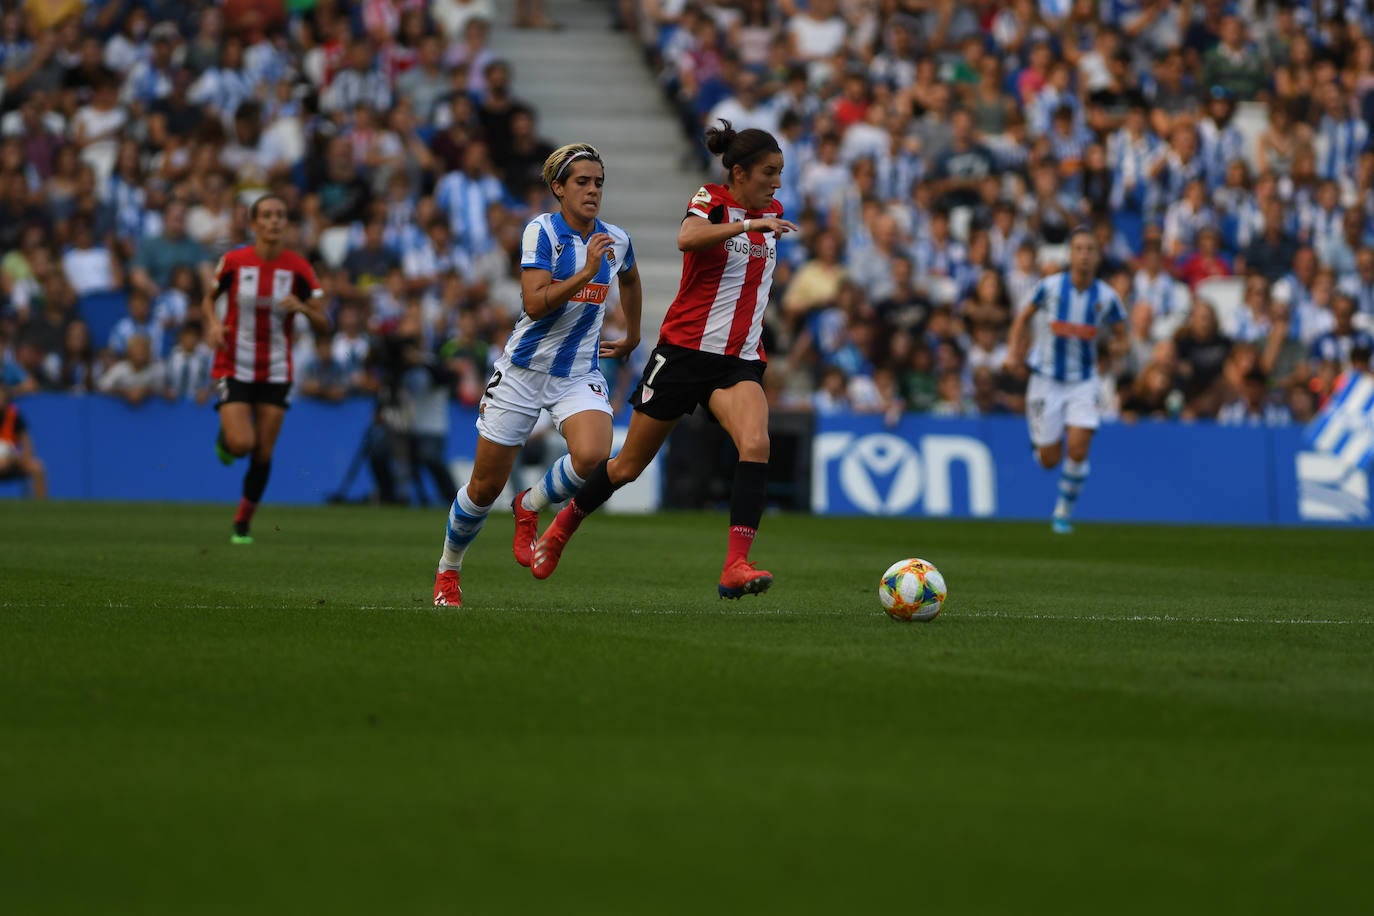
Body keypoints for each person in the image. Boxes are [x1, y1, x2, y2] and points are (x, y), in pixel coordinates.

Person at [529, 120, 799, 598]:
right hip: (682, 354)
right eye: (769, 172)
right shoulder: (711, 199)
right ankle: (563, 524)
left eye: (779, 173)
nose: (777, 183)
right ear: (738, 172)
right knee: (627, 466)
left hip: (737, 361)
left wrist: (758, 220)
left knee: (756, 444)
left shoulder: (772, 209)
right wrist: (749, 224)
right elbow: (687, 239)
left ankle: (736, 565)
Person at [432, 142, 642, 607]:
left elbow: (629, 277)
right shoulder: (540, 232)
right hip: (523, 371)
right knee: (483, 487)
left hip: (576, 372)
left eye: (598, 183)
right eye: (582, 182)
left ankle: (528, 504)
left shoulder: (616, 239)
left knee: (594, 454)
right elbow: (534, 302)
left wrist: (631, 334)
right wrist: (587, 271)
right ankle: (448, 569)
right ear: (558, 189)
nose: (592, 191)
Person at [204, 194, 328, 544]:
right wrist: (213, 323)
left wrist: (303, 308)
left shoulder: (299, 268)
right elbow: (207, 299)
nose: (274, 221)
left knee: (263, 451)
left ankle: (242, 522)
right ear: (253, 223)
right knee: (243, 443)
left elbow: (324, 324)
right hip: (234, 362)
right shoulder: (233, 261)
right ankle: (227, 438)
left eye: (280, 215)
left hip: (276, 367)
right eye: (267, 215)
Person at [1003, 227, 1128, 534]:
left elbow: (1123, 335)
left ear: (1097, 257)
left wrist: (1116, 349)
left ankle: (1062, 513)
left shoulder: (1107, 298)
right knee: (1048, 460)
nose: (1084, 255)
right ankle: (1040, 442)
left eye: (1090, 249)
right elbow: (1023, 317)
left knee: (1078, 449)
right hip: (1046, 379)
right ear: (1070, 254)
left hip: (1084, 381)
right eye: (1079, 249)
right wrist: (1012, 352)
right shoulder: (1050, 288)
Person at [0, 384, 47, 499]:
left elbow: (26, 443)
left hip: (12, 459)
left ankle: (42, 507)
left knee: (37, 467)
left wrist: (19, 459)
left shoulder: (15, 416)